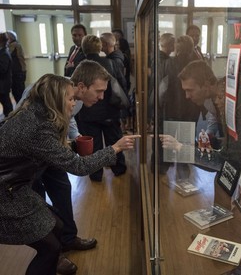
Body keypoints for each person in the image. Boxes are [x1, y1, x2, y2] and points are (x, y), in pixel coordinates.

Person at [0, 73, 139, 275]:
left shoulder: (35, 114)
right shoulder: (39, 128)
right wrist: (114, 149)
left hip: (14, 187)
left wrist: (73, 145)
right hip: (6, 194)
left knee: (56, 225)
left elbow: (47, 150)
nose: (74, 104)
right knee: (50, 248)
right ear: (55, 98)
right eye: (70, 98)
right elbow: (79, 167)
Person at [20, 60, 112, 274]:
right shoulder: (41, 93)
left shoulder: (75, 100)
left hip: (52, 151)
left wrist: (76, 136)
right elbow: (23, 126)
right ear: (81, 86)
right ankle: (54, 253)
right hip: (30, 159)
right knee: (39, 202)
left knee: (62, 190)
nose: (101, 97)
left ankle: (68, 238)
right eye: (98, 91)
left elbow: (68, 120)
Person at [77, 34, 127, 182]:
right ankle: (119, 169)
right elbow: (121, 86)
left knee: (93, 145)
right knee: (115, 141)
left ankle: (96, 174)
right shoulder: (110, 63)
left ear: (83, 48)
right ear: (100, 47)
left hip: (86, 112)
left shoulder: (79, 66)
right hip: (110, 110)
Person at [6, 30, 27, 103]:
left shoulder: (16, 46)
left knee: (19, 93)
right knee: (15, 92)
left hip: (18, 73)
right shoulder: (8, 47)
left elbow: (20, 59)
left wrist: (23, 71)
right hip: (13, 73)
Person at [0, 32, 13, 118]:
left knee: (6, 104)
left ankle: (10, 120)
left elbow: (2, 69)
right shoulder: (2, 52)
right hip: (2, 84)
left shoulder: (4, 53)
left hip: (3, 84)